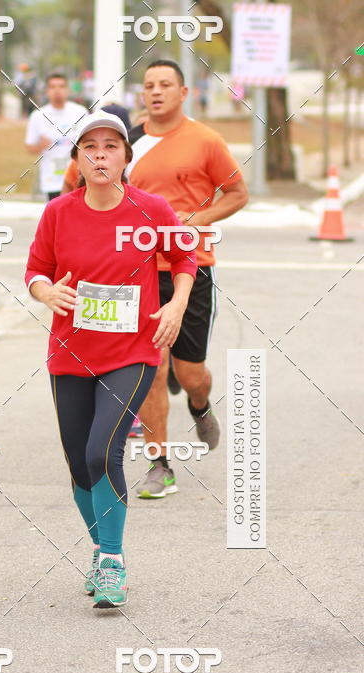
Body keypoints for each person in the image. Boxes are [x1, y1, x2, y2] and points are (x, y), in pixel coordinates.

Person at [25, 112, 196, 608]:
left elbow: (185, 258)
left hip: (131, 352)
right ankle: (102, 549)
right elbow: (36, 270)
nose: (100, 155)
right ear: (77, 159)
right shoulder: (58, 212)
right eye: (90, 147)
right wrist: (45, 291)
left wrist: (176, 304)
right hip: (70, 353)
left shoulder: (152, 209)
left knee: (103, 452)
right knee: (80, 465)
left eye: (110, 146)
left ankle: (114, 561)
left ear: (126, 156)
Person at [127, 60, 248, 498]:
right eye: (149, 86)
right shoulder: (129, 143)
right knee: (153, 370)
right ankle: (160, 464)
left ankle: (199, 402)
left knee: (190, 372)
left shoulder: (205, 141)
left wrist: (194, 220)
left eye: (165, 85)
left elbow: (237, 192)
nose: (156, 92)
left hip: (191, 268)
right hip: (138, 272)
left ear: (183, 92)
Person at [25, 73, 86, 201]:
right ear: (47, 91)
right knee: (58, 218)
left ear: (67, 90)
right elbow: (29, 147)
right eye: (53, 87)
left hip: (78, 178)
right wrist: (40, 146)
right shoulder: (38, 116)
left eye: (61, 86)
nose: (57, 90)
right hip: (52, 179)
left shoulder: (80, 112)